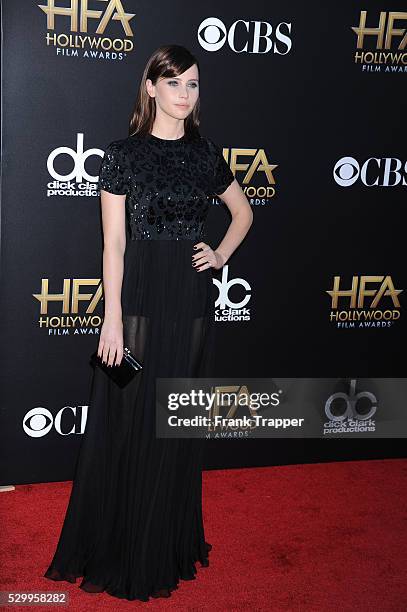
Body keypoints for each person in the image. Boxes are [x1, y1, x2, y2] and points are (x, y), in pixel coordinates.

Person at [43, 44, 253, 602]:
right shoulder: (121, 156)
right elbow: (113, 245)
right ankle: (123, 542)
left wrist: (221, 255)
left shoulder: (207, 155)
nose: (186, 94)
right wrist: (110, 320)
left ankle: (165, 542)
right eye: (176, 83)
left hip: (188, 298)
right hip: (136, 297)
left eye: (194, 84)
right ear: (152, 88)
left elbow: (244, 211)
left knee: (174, 423)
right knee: (131, 419)